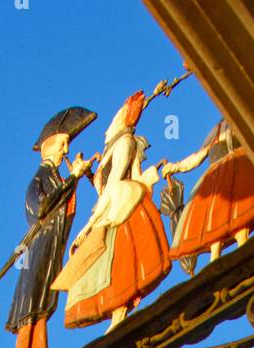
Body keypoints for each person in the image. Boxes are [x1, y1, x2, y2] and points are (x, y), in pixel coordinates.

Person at [56, 92, 171, 333]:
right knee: (103, 266)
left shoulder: (125, 143)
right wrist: (85, 173)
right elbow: (104, 190)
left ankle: (119, 313)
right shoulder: (113, 147)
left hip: (119, 211)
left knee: (115, 264)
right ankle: (116, 314)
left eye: (117, 115)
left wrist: (89, 225)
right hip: (110, 209)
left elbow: (115, 186)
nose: (106, 127)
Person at [5, 106, 95, 348]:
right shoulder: (40, 178)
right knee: (29, 308)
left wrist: (79, 178)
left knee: (44, 304)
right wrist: (72, 178)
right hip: (38, 248)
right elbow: (40, 208)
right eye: (63, 145)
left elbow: (65, 207)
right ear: (50, 147)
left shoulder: (58, 176)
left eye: (67, 145)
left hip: (53, 246)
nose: (66, 151)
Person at [161, 119, 254, 267]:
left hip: (239, 171)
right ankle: (215, 268)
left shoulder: (242, 120)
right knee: (214, 228)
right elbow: (198, 156)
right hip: (216, 180)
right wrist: (175, 167)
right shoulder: (217, 130)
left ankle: (246, 260)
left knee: (241, 220)